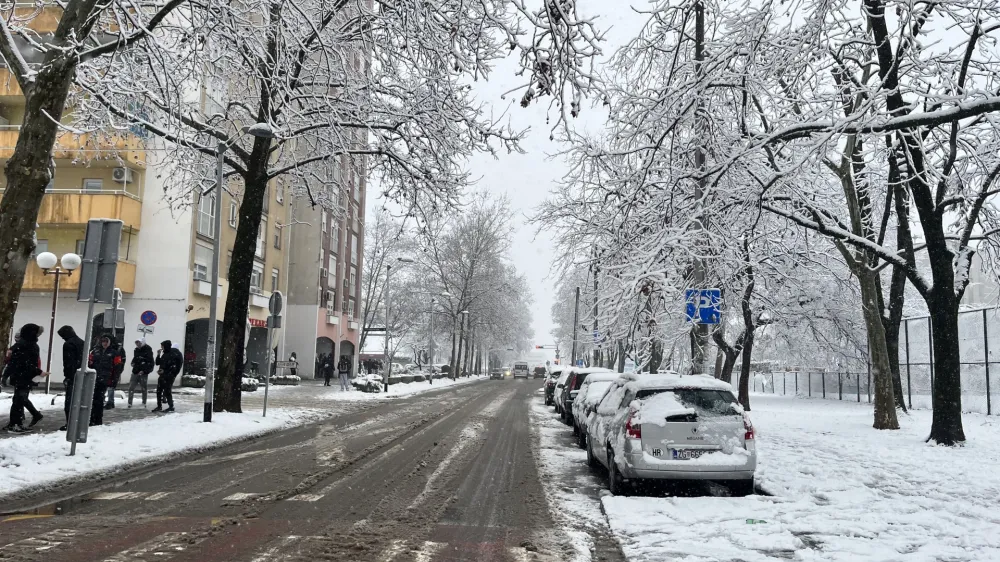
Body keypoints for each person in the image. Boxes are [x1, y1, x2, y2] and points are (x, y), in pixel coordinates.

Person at [3, 324, 44, 432]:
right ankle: (17, 423)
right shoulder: (31, 346)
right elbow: (27, 364)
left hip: (19, 376)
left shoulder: (20, 345)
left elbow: (13, 362)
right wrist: (39, 372)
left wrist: (6, 375)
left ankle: (15, 422)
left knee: (18, 400)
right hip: (25, 377)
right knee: (20, 400)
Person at [88, 335, 121, 426]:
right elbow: (90, 363)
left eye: (106, 341)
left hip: (105, 379)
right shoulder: (95, 351)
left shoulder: (114, 353)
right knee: (93, 399)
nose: (104, 343)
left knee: (99, 399)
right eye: (103, 341)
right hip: (94, 378)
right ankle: (92, 418)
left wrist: (114, 380)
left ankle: (98, 419)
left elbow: (117, 368)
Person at [57, 325, 84, 431]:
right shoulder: (82, 342)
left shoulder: (68, 344)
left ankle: (70, 423)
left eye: (62, 336)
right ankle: (78, 422)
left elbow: (68, 363)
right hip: (82, 374)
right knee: (79, 400)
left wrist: (68, 376)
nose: (62, 338)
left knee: (70, 401)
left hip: (73, 376)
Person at [153, 340, 182, 412]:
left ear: (166, 346)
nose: (161, 348)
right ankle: (159, 406)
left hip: (169, 376)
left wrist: (165, 371)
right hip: (162, 375)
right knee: (159, 391)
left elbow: (173, 367)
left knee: (167, 391)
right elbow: (158, 363)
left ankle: (171, 406)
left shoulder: (173, 354)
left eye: (162, 346)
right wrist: (158, 355)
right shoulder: (165, 354)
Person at [128, 339, 155, 408]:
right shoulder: (136, 350)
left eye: (139, 343)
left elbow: (150, 363)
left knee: (143, 388)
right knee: (131, 387)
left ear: (142, 343)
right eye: (136, 343)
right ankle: (129, 403)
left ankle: (144, 402)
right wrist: (133, 363)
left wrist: (144, 371)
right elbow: (135, 358)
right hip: (135, 371)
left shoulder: (148, 351)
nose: (137, 344)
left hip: (143, 373)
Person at [105, 336, 126, 409]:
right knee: (107, 386)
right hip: (108, 370)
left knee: (111, 386)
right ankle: (108, 401)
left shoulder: (117, 349)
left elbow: (121, 361)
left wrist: (119, 370)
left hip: (114, 370)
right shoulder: (107, 349)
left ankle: (110, 402)